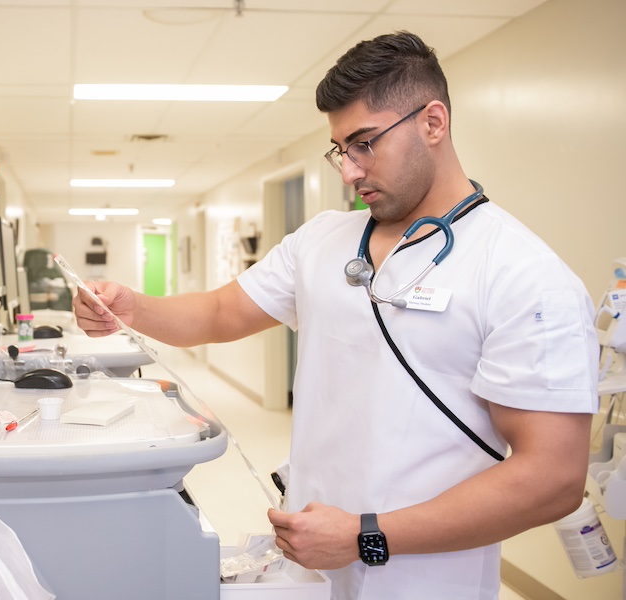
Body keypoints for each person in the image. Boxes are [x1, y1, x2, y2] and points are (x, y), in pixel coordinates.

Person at [72, 31, 598, 599]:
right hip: (309, 563)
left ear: (434, 123)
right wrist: (133, 306)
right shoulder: (323, 239)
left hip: (424, 579)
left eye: (365, 142)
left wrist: (366, 536)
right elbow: (222, 312)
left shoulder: (524, 274)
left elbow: (553, 478)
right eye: (340, 149)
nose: (348, 170)